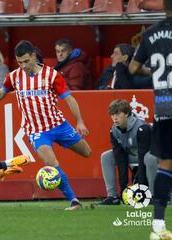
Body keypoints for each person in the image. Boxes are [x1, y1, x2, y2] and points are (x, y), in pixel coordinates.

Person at [0, 40, 92, 210]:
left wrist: (79, 121)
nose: (23, 66)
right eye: (19, 62)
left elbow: (69, 98)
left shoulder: (51, 75)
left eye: (26, 61)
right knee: (52, 164)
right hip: (36, 131)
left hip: (59, 125)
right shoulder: (15, 76)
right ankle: (74, 201)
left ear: (34, 56)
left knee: (87, 152)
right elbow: (2, 92)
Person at [129, 0, 172, 238]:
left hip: (165, 106)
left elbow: (134, 68)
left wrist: (155, 73)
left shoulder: (151, 34)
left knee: (166, 164)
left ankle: (158, 225)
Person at [99, 99, 158, 205]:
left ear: (126, 113)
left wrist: (141, 188)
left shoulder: (142, 128)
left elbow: (142, 156)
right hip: (133, 154)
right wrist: (123, 189)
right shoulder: (114, 130)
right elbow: (120, 159)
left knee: (149, 158)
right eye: (112, 115)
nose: (114, 118)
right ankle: (112, 196)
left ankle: (154, 196)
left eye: (117, 114)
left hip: (154, 156)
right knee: (106, 156)